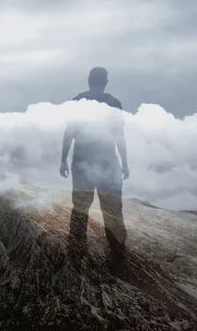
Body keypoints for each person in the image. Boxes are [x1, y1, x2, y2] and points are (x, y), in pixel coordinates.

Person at [60, 67, 129, 271]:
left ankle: (76, 255)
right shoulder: (114, 104)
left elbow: (68, 133)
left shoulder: (78, 102)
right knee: (113, 212)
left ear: (89, 81)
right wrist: (125, 163)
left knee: (80, 209)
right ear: (106, 82)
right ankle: (118, 257)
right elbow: (119, 137)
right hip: (108, 163)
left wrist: (63, 160)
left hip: (82, 164)